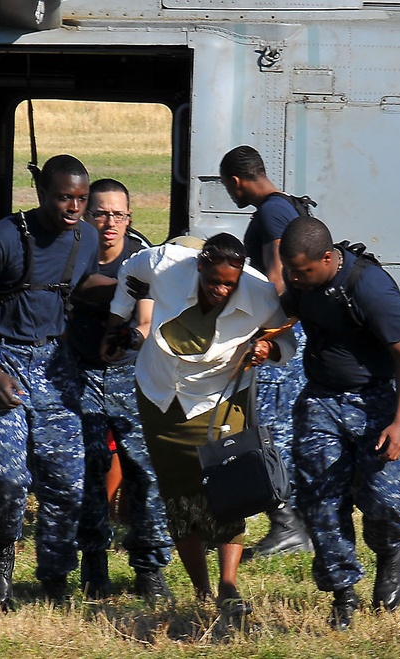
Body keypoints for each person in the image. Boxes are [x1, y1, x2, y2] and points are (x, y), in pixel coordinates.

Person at [104, 234, 294, 614]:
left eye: (230, 282)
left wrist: (266, 348)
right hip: (159, 395)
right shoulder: (167, 264)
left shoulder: (259, 294)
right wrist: (117, 317)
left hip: (217, 399)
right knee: (180, 497)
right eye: (213, 281)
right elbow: (129, 270)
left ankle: (228, 587)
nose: (221, 289)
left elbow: (285, 342)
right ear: (199, 267)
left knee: (228, 492)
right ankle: (202, 591)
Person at [0, 154, 112, 608]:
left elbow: (75, 287)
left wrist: (128, 291)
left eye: (82, 199)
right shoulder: (4, 237)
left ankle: (55, 578)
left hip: (55, 362)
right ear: (43, 192)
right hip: (1, 357)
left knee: (66, 481)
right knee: (6, 478)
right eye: (65, 197)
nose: (74, 207)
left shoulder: (84, 238)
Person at [278, 217, 400, 630]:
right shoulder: (303, 282)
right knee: (320, 500)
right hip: (322, 399)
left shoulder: (368, 287)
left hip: (377, 400)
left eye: (302, 271)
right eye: (289, 270)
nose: (294, 279)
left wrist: (398, 423)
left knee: (391, 498)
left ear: (327, 259)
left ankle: (388, 552)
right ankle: (343, 593)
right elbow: (285, 311)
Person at [67, 179, 172, 599]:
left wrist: (131, 336)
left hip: (133, 377)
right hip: (80, 375)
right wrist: (124, 286)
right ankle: (94, 565)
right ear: (87, 215)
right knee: (89, 473)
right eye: (101, 213)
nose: (111, 223)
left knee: (145, 472)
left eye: (119, 214)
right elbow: (76, 289)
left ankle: (149, 566)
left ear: (130, 218)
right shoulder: (72, 250)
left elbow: (144, 321)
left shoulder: (140, 256)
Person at [219, 145, 313, 558]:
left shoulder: (272, 213)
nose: (230, 194)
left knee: (265, 431)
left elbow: (278, 280)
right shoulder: (289, 205)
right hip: (282, 333)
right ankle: (297, 523)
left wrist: (256, 330)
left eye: (228, 187)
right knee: (267, 429)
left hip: (276, 336)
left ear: (236, 181)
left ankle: (289, 525)